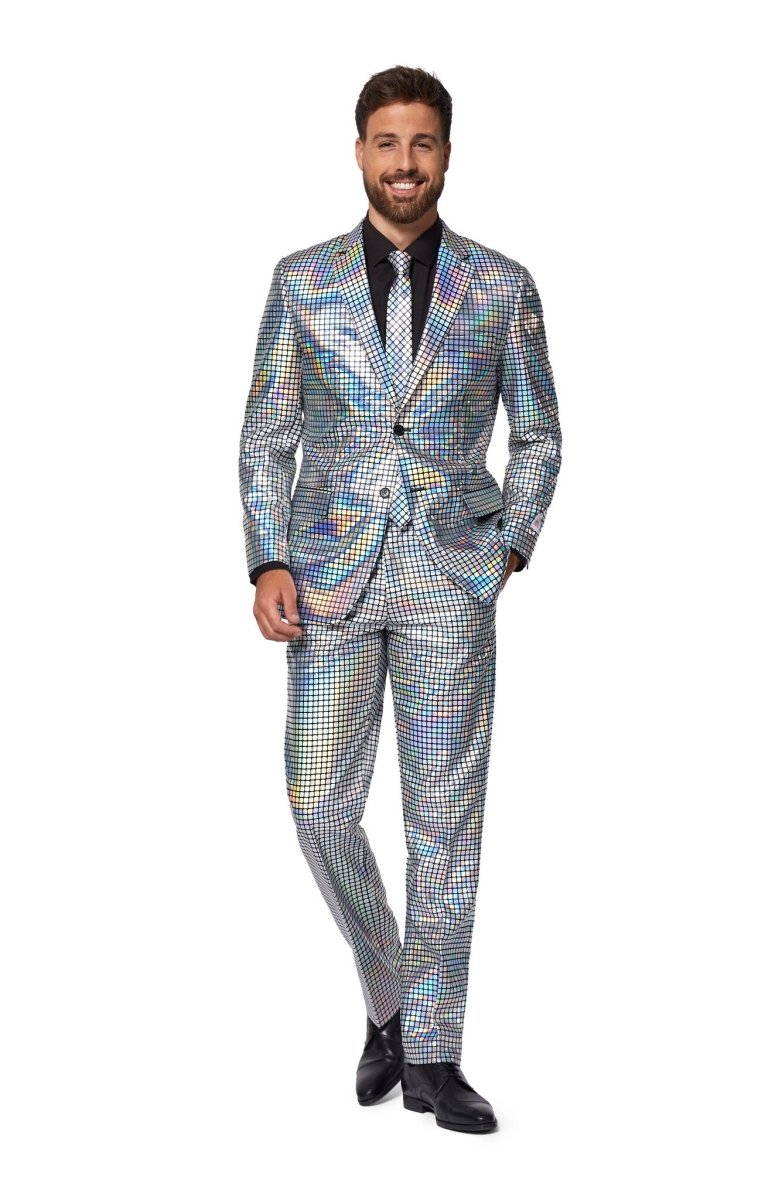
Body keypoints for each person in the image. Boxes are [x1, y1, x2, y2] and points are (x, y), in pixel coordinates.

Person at [238, 65, 561, 1134]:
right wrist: (267, 560)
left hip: (448, 582)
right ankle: (389, 993)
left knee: (444, 823)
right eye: (387, 142)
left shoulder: (501, 285)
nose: (404, 162)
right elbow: (266, 433)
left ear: (447, 154)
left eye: (422, 142)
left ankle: (433, 1051)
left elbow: (540, 434)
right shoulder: (302, 280)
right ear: (360, 153)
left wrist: (505, 550)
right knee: (317, 805)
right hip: (326, 580)